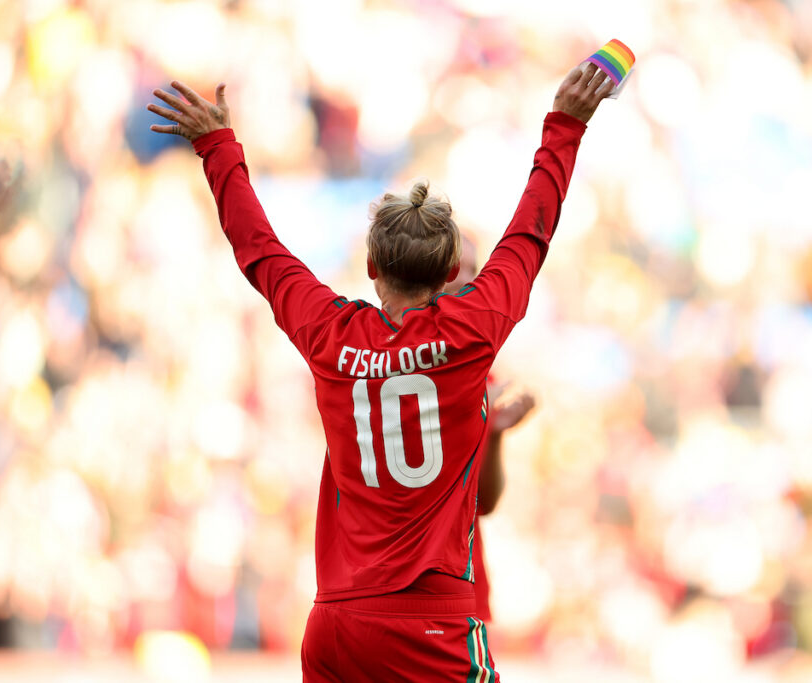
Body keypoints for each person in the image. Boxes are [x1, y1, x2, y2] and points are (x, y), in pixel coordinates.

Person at [148, 55, 615, 681]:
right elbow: (529, 235)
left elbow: (259, 250)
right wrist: (565, 124)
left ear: (371, 267)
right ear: (450, 274)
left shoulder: (329, 334)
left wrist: (217, 147)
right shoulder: (471, 333)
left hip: (337, 625)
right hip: (431, 625)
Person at [445, 234, 536, 622]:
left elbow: (484, 502)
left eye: (474, 269)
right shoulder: (385, 356)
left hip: (463, 578)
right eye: (456, 268)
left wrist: (494, 433)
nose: (468, 279)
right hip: (410, 587)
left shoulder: (484, 372)